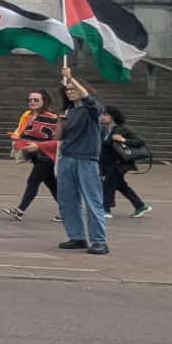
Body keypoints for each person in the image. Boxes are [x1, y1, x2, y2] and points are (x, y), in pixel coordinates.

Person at [55, 69, 109, 255]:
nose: (70, 91)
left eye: (73, 89)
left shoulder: (92, 110)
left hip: (86, 159)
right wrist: (60, 124)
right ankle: (76, 236)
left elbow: (89, 100)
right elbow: (59, 137)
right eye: (67, 89)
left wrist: (71, 78)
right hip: (66, 157)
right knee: (67, 200)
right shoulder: (69, 111)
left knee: (92, 200)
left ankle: (99, 241)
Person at [2, 89, 61, 220]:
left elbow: (57, 138)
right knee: (52, 184)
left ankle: (20, 211)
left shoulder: (52, 118)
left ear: (44, 101)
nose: (32, 102)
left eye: (36, 100)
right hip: (36, 155)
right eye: (30, 100)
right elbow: (23, 132)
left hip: (47, 155)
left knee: (33, 181)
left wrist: (39, 145)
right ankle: (68, 210)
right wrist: (17, 138)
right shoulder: (27, 116)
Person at [99, 106, 151, 218]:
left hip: (119, 163)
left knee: (108, 185)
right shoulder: (106, 129)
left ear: (112, 116)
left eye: (105, 114)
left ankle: (105, 210)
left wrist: (123, 140)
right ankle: (140, 206)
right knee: (121, 185)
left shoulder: (122, 129)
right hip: (107, 163)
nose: (102, 117)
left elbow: (140, 141)